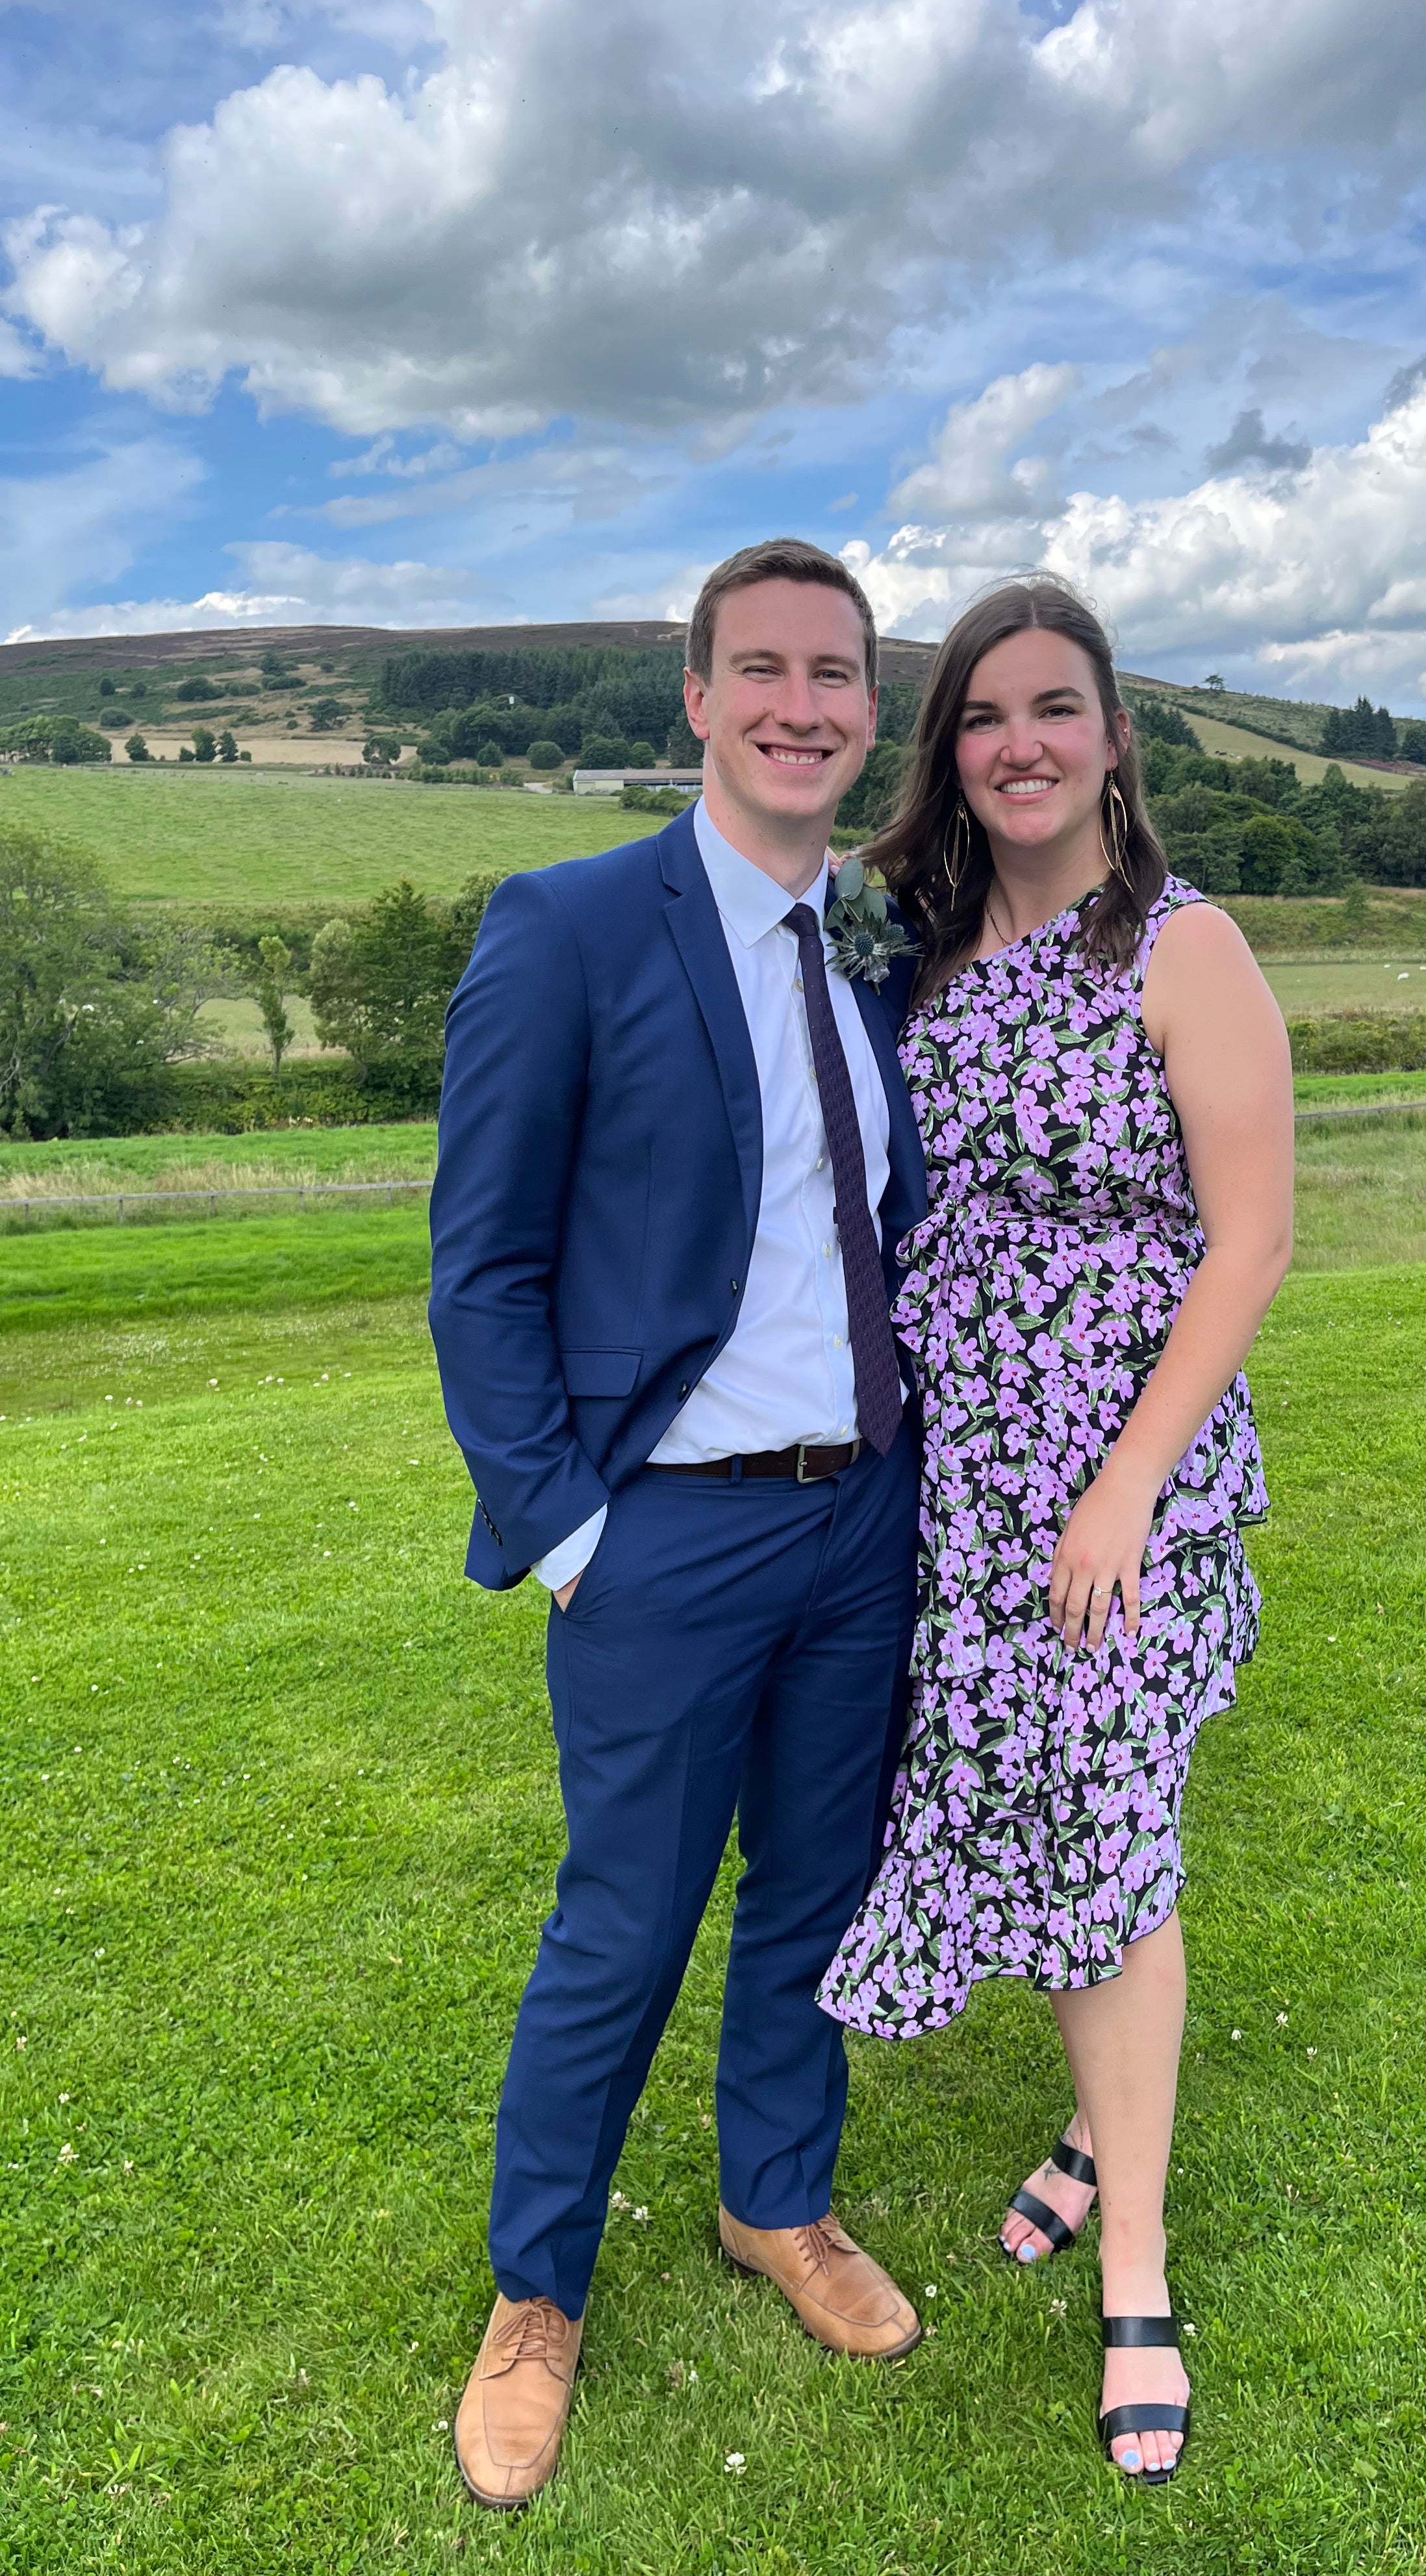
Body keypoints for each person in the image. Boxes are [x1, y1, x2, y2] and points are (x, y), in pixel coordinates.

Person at [427, 538, 930, 2512]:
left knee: (814, 1895)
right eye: (766, 671)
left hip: (857, 1525)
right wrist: (568, 1532)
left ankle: (773, 2203)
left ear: (866, 712)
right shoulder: (566, 927)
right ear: (698, 701)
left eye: (838, 675)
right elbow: (484, 1270)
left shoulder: (874, 948)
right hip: (663, 1542)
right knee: (622, 1924)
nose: (804, 704)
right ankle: (537, 2294)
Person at [819, 576, 1295, 2483]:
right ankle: (1107, 2123)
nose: (1020, 741)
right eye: (985, 716)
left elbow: (1249, 1239)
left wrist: (1124, 1488)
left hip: (1119, 1478)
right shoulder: (915, 943)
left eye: (1057, 709)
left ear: (1114, 738)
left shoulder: (1184, 949)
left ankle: (1142, 2273)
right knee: (1033, 1805)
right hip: (961, 1470)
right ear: (954, 753)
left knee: (1109, 1833)